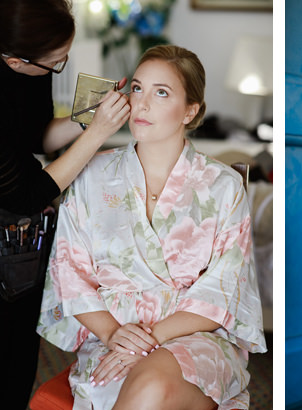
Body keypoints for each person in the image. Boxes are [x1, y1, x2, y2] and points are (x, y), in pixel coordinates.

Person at [36, 44, 267, 409]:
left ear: (190, 111)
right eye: (138, 88)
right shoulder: (91, 175)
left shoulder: (223, 186)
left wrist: (151, 338)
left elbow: (224, 290)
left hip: (193, 336)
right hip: (114, 338)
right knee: (133, 389)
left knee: (150, 388)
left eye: (161, 93)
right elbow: (70, 274)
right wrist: (115, 334)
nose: (141, 105)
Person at [0, 0, 129, 407]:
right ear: (14, 60)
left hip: (19, 240)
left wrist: (86, 115)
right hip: (12, 218)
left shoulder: (30, 68)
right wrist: (98, 135)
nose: (61, 66)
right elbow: (26, 194)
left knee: (18, 356)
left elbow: (36, 136)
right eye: (56, 63)